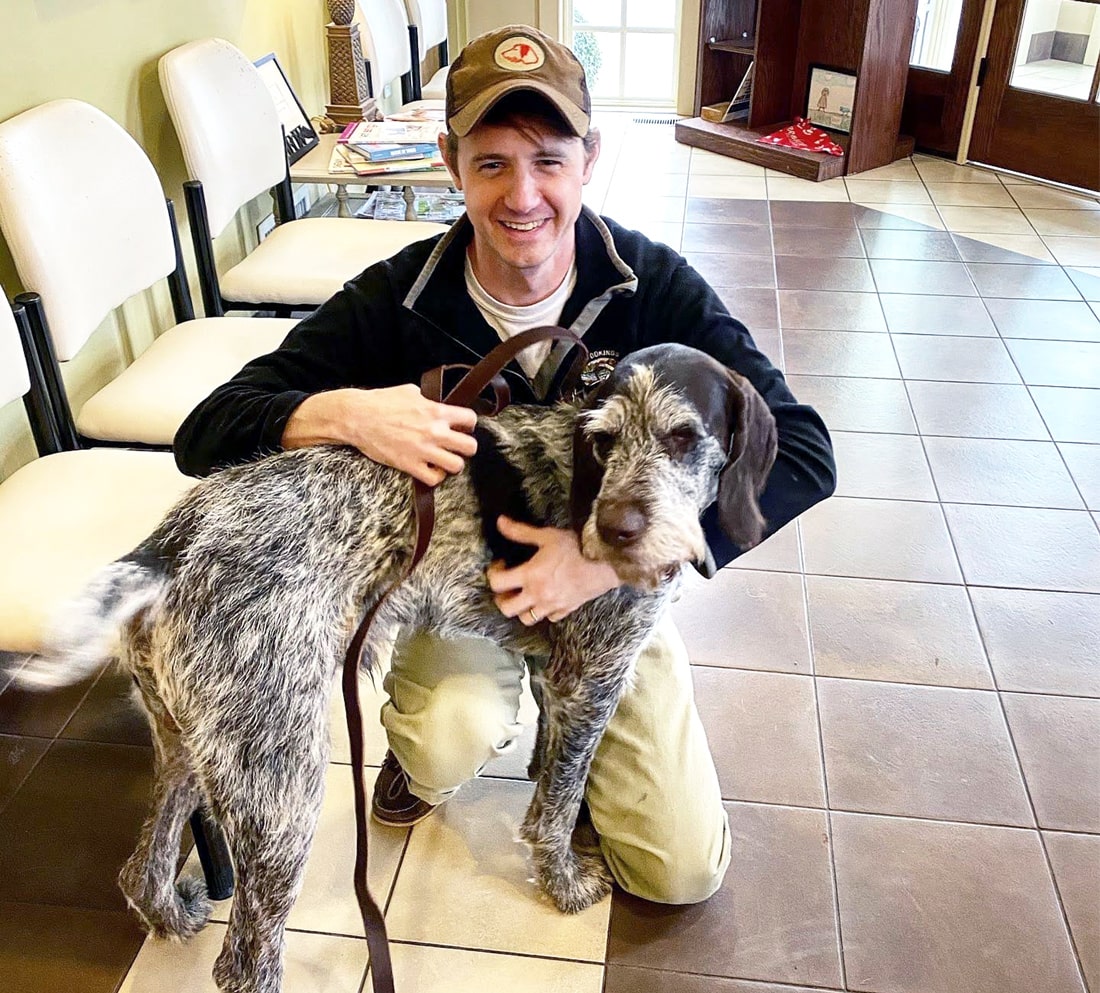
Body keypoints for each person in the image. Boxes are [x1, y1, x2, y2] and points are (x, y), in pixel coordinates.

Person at [174, 24, 835, 906]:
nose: (523, 195)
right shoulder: (396, 297)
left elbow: (805, 449)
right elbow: (206, 429)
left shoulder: (656, 286)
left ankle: (584, 754)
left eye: (549, 160)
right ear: (451, 163)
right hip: (458, 598)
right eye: (491, 163)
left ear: (589, 158)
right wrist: (349, 411)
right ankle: (433, 756)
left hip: (613, 590)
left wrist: (600, 565)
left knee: (682, 872)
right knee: (450, 734)